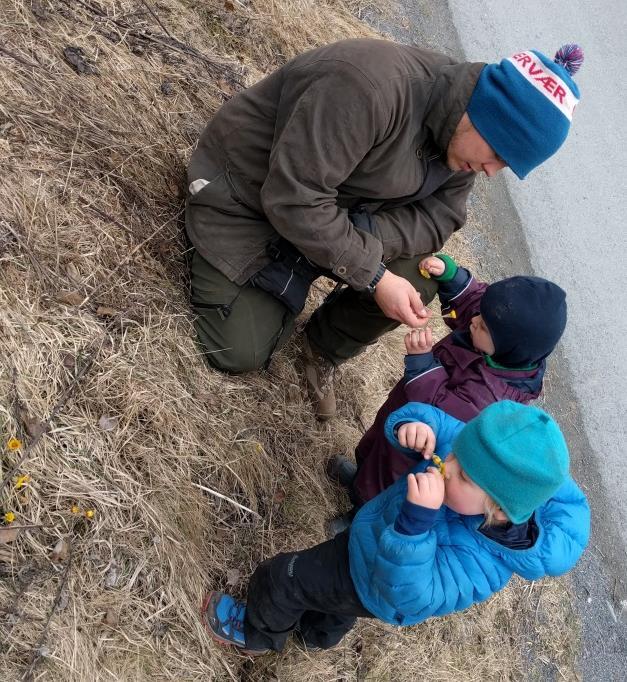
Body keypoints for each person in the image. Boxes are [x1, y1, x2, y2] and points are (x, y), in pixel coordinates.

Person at [186, 39, 583, 419]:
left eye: (505, 166)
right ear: (483, 115)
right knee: (237, 351)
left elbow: (441, 216)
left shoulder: (462, 140)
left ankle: (320, 349)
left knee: (422, 275)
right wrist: (373, 276)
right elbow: (294, 197)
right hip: (246, 200)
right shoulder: (366, 87)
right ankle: (282, 293)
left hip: (336, 216)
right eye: (498, 154)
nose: (492, 172)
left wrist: (361, 237)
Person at [201, 401, 590, 654]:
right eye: (453, 454)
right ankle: (315, 636)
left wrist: (414, 525)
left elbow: (414, 597)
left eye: (464, 475)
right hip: (367, 548)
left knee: (286, 577)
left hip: (373, 579)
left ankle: (257, 633)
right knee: (335, 606)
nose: (445, 464)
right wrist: (414, 425)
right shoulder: (473, 459)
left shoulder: (485, 562)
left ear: (500, 511)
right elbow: (439, 424)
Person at [329, 253, 568, 511]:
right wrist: (453, 277)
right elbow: (474, 299)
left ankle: (361, 511)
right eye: (481, 315)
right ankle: (359, 475)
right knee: (379, 436)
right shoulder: (495, 334)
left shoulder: (492, 395)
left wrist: (422, 363)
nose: (475, 320)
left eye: (484, 325)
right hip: (405, 405)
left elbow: (438, 409)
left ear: (510, 348)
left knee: (388, 471)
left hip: (418, 439)